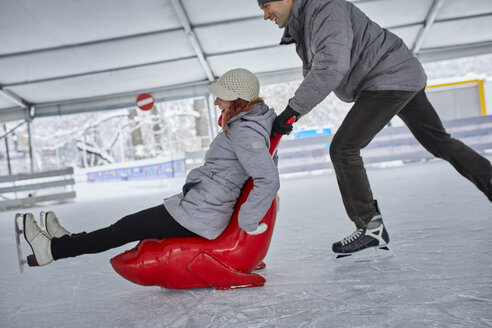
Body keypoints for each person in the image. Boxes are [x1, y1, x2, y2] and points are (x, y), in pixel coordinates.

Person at [258, 0, 492, 258]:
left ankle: (370, 226)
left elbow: (331, 66)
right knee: (439, 142)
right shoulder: (303, 28)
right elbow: (315, 73)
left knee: (343, 148)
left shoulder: (325, 9)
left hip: (386, 76)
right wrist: (295, 112)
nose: (266, 15)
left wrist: (292, 111)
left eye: (267, 5)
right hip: (397, 73)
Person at [22, 68, 280, 267]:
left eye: (221, 97)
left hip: (201, 215)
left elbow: (267, 178)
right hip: (200, 207)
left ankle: (53, 251)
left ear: (238, 99)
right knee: (122, 227)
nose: (216, 103)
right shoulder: (250, 123)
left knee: (122, 229)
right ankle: (65, 241)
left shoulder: (245, 132)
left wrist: (247, 221)